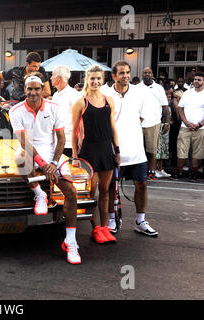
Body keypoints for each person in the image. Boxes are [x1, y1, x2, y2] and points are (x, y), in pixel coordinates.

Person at [9, 73, 80, 264]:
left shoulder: (55, 108)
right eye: (29, 89)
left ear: (43, 90)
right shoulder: (15, 111)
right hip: (30, 152)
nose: (33, 92)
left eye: (36, 89)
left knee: (71, 192)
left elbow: (61, 139)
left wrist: (54, 163)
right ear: (24, 90)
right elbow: (24, 142)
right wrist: (43, 164)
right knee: (20, 157)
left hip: (52, 153)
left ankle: (71, 241)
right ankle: (39, 193)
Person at [102, 60, 158, 236]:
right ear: (114, 76)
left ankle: (140, 221)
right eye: (121, 73)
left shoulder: (139, 93)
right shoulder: (105, 94)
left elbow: (142, 118)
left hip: (136, 152)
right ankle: (112, 220)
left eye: (127, 72)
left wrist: (129, 130)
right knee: (112, 188)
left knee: (141, 184)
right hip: (113, 151)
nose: (125, 76)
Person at [72, 65, 120, 244]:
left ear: (102, 80)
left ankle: (105, 227)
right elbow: (74, 131)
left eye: (98, 78)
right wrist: (75, 156)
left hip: (106, 149)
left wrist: (117, 150)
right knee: (90, 192)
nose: (95, 82)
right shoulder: (81, 102)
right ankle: (95, 228)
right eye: (92, 78)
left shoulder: (109, 100)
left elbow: (113, 127)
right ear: (87, 79)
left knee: (105, 191)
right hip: (88, 151)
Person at [137, 67, 170, 180]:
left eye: (149, 73)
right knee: (138, 149)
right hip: (138, 123)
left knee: (152, 150)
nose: (147, 75)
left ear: (152, 74)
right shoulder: (136, 88)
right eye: (145, 73)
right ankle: (139, 172)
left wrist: (166, 123)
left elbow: (165, 107)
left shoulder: (159, 88)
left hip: (154, 123)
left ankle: (151, 171)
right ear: (142, 75)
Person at [171, 72, 204, 182]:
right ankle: (179, 170)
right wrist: (186, 122)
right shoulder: (188, 93)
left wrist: (199, 124)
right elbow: (180, 109)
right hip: (185, 127)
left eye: (199, 80)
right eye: (195, 79)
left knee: (197, 152)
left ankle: (193, 172)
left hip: (200, 128)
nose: (196, 81)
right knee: (181, 150)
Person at [50, 65, 82, 157]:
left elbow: (80, 118)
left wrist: (79, 140)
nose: (51, 78)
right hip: (56, 142)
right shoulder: (55, 95)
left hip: (69, 143)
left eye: (52, 75)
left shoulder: (74, 95)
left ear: (59, 78)